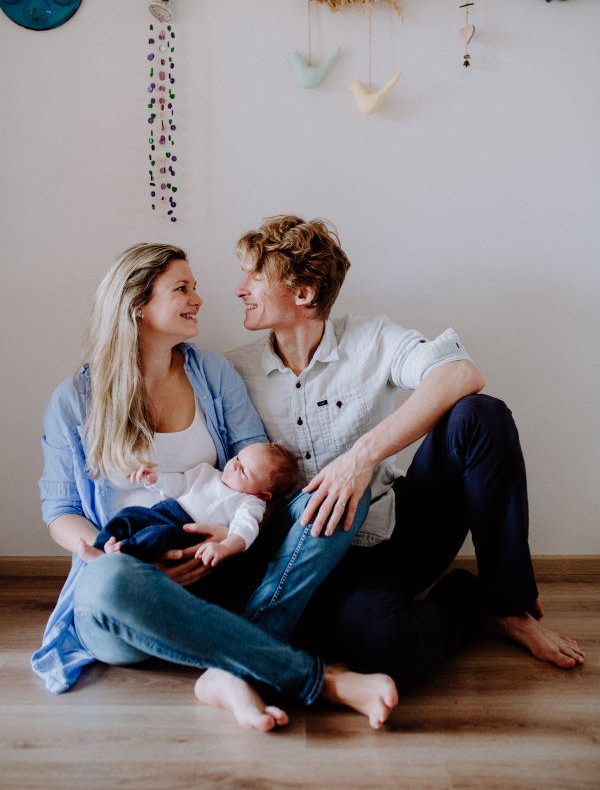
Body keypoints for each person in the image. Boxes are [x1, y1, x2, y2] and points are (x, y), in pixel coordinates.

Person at [201, 214, 583, 701]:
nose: (239, 288)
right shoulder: (235, 371)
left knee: (479, 416)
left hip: (397, 526)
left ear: (302, 292)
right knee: (386, 646)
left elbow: (460, 374)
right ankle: (469, 603)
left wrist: (360, 458)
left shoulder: (370, 338)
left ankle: (509, 604)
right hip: (318, 558)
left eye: (254, 275)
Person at [32, 241, 395, 731]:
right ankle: (315, 678)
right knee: (108, 582)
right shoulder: (75, 399)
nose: (199, 299)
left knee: (348, 482)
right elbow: (60, 510)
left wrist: (231, 539)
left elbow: (260, 478)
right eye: (182, 288)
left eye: (195, 288)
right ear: (136, 306)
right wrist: (103, 552)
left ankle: (228, 668)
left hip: (222, 568)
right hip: (131, 585)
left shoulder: (214, 375)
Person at [79, 442, 297, 566]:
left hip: (185, 532)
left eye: (244, 471)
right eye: (238, 458)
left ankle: (120, 557)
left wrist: (224, 547)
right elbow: (181, 484)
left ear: (264, 494)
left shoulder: (250, 503)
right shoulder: (208, 473)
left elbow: (245, 531)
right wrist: (156, 479)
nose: (233, 466)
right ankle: (99, 549)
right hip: (164, 510)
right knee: (128, 515)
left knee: (159, 536)